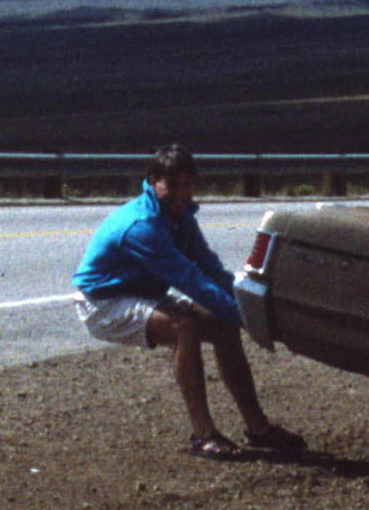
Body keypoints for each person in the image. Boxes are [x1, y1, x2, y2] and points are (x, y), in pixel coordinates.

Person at [73, 144, 306, 460]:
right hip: (102, 302)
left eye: (188, 185)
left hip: (142, 293)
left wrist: (251, 311)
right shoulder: (142, 226)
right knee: (185, 327)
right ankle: (203, 434)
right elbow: (192, 283)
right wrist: (250, 321)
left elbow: (211, 270)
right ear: (154, 181)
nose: (183, 193)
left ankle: (258, 428)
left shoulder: (180, 217)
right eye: (174, 185)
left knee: (222, 321)